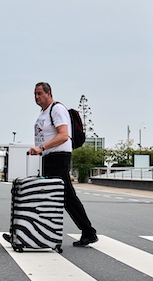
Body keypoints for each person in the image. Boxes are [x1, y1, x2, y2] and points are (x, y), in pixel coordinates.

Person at [29, 81, 98, 246]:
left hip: (59, 157)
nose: (37, 97)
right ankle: (87, 232)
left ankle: (33, 233)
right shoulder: (43, 112)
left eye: (40, 93)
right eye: (35, 94)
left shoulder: (57, 109)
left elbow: (63, 136)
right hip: (49, 157)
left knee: (56, 195)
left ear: (49, 93)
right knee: (63, 196)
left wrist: (41, 147)